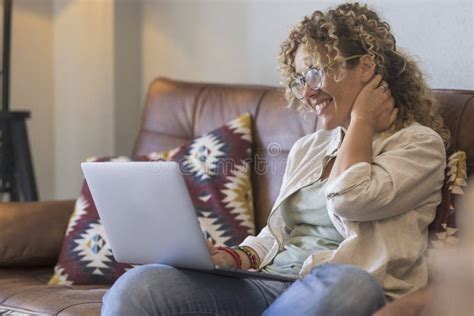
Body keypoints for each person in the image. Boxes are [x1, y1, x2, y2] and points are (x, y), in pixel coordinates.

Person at [102, 2, 449, 315]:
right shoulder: (309, 148)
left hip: (333, 288)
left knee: (350, 286)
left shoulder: (419, 146)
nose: (307, 91)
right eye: (300, 79)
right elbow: (276, 235)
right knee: (140, 287)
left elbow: (349, 198)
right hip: (270, 285)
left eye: (315, 71)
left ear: (367, 67)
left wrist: (362, 120)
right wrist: (232, 256)